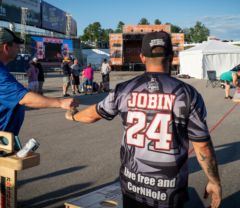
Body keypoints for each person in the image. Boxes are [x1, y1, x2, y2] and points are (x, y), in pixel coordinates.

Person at [66, 31, 221, 208]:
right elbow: (202, 146)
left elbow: (93, 114)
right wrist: (214, 181)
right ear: (172, 56)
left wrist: (72, 115)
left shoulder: (123, 89)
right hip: (169, 192)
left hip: (133, 187)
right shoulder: (187, 94)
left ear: (142, 57)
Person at [0, 27, 77, 139]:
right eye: (17, 46)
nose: (19, 49)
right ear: (6, 47)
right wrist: (60, 102)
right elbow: (24, 98)